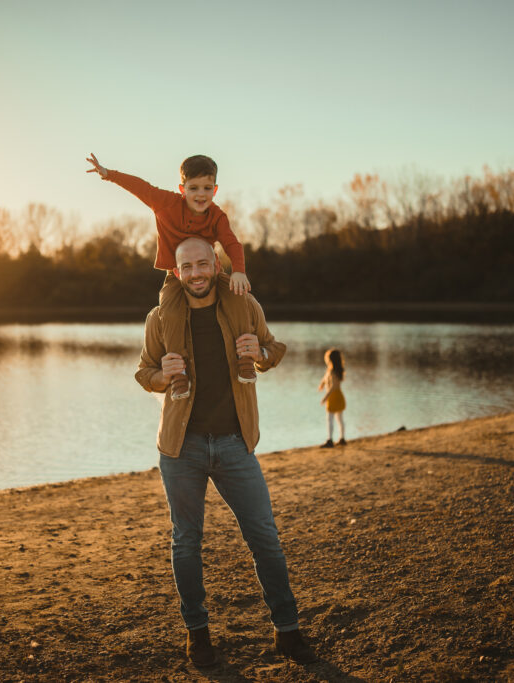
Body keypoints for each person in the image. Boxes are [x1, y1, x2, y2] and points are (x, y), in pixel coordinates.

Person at [135, 237, 316, 667]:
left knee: (265, 539)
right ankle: (198, 636)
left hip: (236, 444)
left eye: (203, 263)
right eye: (187, 267)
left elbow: (274, 347)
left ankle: (287, 632)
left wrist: (262, 354)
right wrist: (162, 374)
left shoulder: (244, 304)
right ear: (176, 271)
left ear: (215, 264)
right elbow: (144, 372)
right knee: (186, 543)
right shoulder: (160, 318)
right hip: (182, 449)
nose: (196, 273)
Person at [87, 153, 255, 400]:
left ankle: (245, 359)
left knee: (236, 293)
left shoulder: (217, 216)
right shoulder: (165, 202)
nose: (201, 194)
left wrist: (238, 271)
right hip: (176, 276)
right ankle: (178, 375)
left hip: (211, 272)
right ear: (182, 188)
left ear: (215, 190)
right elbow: (140, 187)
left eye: (207, 188)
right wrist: (109, 174)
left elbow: (231, 243)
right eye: (194, 188)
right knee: (170, 312)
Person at [317, 348, 346, 447]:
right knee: (339, 419)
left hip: (333, 397)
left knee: (330, 418)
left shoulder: (333, 372)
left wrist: (325, 397)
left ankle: (330, 439)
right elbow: (325, 378)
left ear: (330, 360)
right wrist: (322, 384)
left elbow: (333, 386)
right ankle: (342, 438)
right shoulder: (332, 370)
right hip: (339, 396)